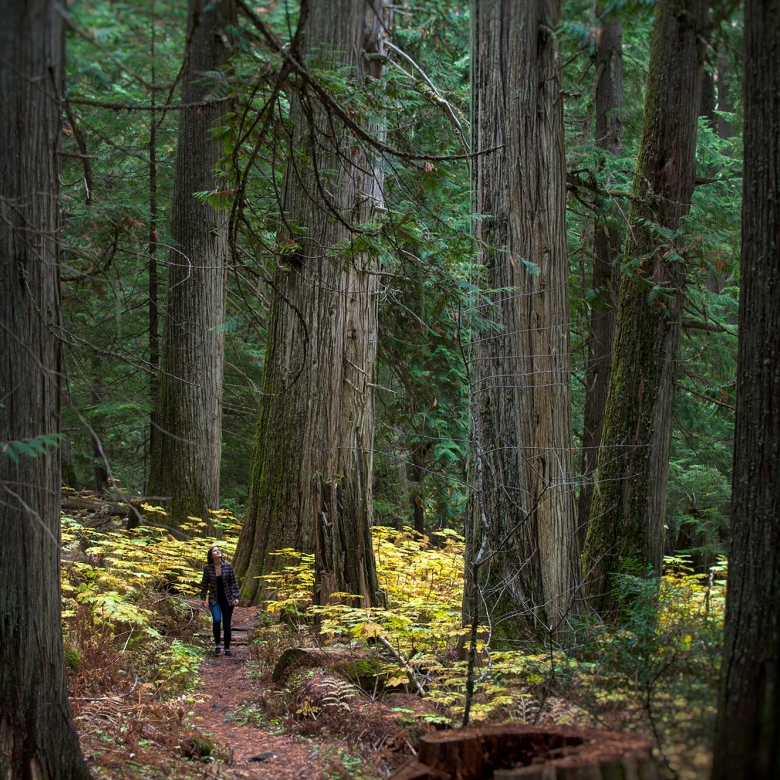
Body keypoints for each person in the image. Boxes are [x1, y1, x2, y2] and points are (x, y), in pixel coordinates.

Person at [199, 545, 240, 656]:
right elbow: (204, 583)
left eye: (218, 550)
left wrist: (236, 596)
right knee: (217, 620)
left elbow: (233, 582)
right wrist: (203, 597)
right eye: (215, 551)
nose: (218, 552)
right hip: (214, 599)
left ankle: (227, 648)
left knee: (226, 624)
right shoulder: (207, 568)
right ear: (211, 555)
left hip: (228, 599)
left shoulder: (227, 566)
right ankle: (217, 644)